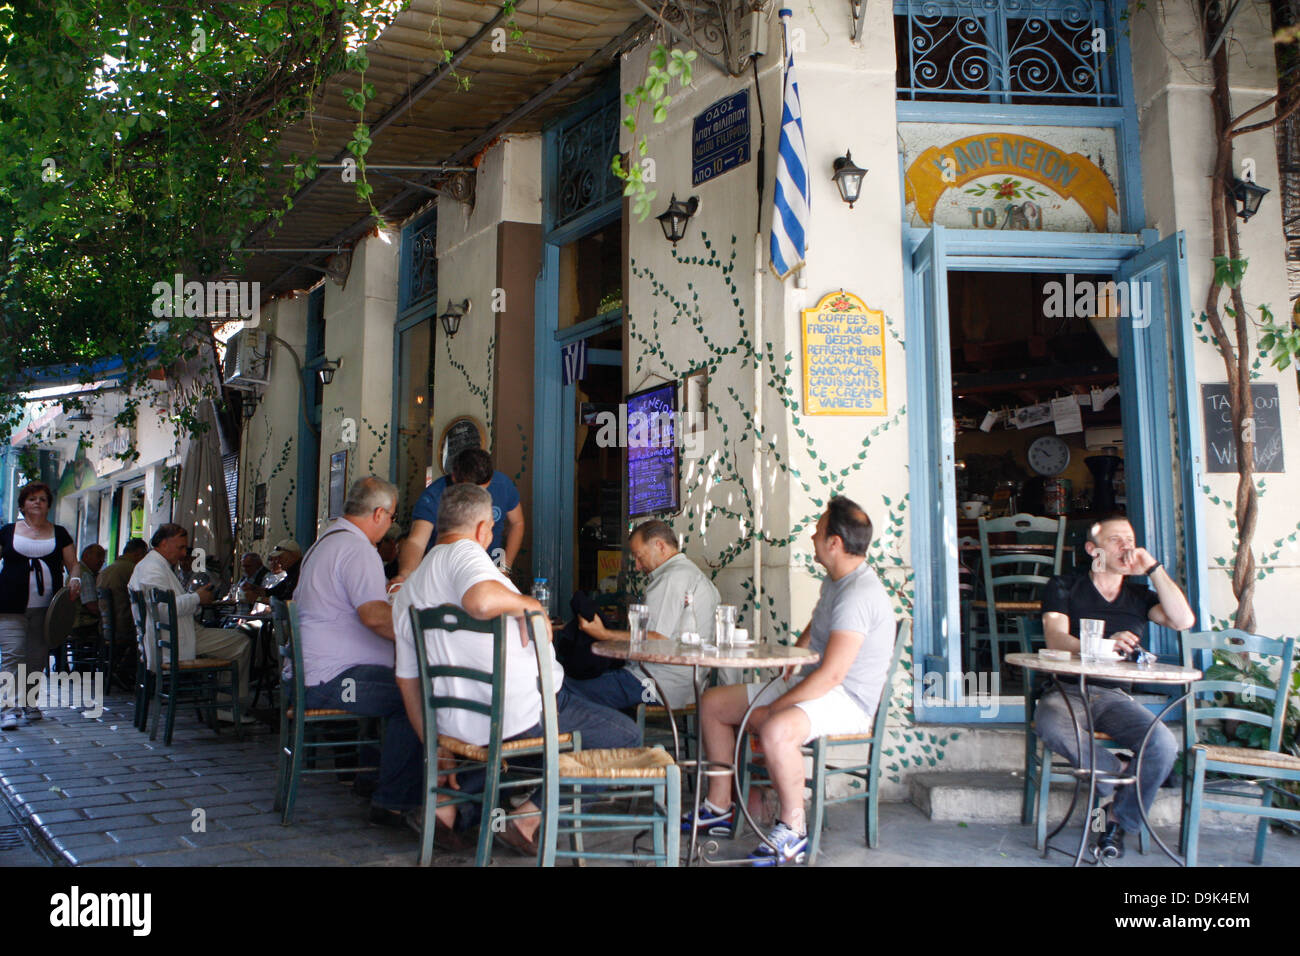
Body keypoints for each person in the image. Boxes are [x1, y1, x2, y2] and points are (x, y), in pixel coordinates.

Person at [392, 483, 640, 855]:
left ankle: (447, 808)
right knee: (625, 737)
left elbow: (406, 679)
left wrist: (433, 740)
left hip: (460, 723)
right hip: (522, 712)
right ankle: (526, 819)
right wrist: (530, 604)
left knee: (523, 742)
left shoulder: (410, 590)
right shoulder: (465, 553)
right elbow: (479, 600)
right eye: (492, 529)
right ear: (482, 529)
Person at [690, 496, 896, 864]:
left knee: (776, 729)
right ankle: (719, 807)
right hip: (820, 684)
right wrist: (798, 651)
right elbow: (820, 622)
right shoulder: (837, 581)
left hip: (847, 699)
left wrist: (776, 707)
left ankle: (792, 830)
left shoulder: (859, 594)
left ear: (834, 543)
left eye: (818, 532)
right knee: (713, 703)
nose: (812, 538)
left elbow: (833, 675)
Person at [1035, 514, 1196, 859]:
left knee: (1163, 745)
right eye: (1115, 540)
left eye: (1130, 540)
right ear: (1093, 550)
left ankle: (1116, 820)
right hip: (1068, 689)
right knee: (1050, 723)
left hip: (1114, 696)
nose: (1126, 547)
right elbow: (1056, 638)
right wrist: (1105, 645)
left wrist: (1153, 568)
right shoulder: (1064, 586)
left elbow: (1183, 620)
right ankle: (1117, 770)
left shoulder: (1139, 595)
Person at [293, 476, 423, 828]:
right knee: (415, 694)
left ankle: (371, 777)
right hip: (333, 679)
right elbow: (375, 617)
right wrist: (425, 634)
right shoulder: (358, 548)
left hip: (316, 672)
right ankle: (392, 801)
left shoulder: (327, 540)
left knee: (392, 682)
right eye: (392, 517)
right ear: (379, 513)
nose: (390, 524)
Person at [568, 519, 719, 712]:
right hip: (688, 687)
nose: (638, 566)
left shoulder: (671, 579)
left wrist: (603, 634)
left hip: (654, 684)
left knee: (565, 690)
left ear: (660, 546)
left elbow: (657, 639)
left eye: (639, 557)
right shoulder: (696, 576)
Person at [128, 524, 254, 722]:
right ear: (164, 543)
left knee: (234, 639)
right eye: (180, 547)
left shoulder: (153, 566)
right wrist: (197, 598)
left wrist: (196, 600)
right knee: (241, 642)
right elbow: (163, 610)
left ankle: (221, 701)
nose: (184, 553)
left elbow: (168, 604)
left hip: (174, 635)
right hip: (174, 640)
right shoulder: (152, 569)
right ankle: (225, 706)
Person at [0, 481, 82, 729]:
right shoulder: (8, 531)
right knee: (12, 655)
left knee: (37, 658)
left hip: (47, 609)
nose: (37, 502)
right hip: (9, 605)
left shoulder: (60, 533)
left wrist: (75, 579)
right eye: (32, 498)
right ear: (23, 505)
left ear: (48, 505)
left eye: (42, 499)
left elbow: (73, 565)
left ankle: (29, 703)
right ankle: (7, 709)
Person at [395, 448, 523, 581]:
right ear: (454, 477)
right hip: (446, 574)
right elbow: (417, 541)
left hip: (490, 570)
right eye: (471, 490)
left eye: (483, 489)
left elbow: (517, 523)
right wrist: (405, 575)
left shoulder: (502, 484)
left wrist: (505, 567)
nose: (477, 496)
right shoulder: (433, 496)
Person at [96, 538, 148, 687]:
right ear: (139, 553)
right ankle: (126, 672)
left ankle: (118, 671)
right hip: (123, 627)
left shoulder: (107, 569)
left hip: (106, 628)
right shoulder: (132, 569)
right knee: (149, 635)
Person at [244, 539, 301, 604]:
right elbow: (272, 592)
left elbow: (286, 601)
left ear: (292, 555)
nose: (277, 561)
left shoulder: (299, 574)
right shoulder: (291, 574)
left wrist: (257, 598)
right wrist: (253, 588)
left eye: (280, 557)